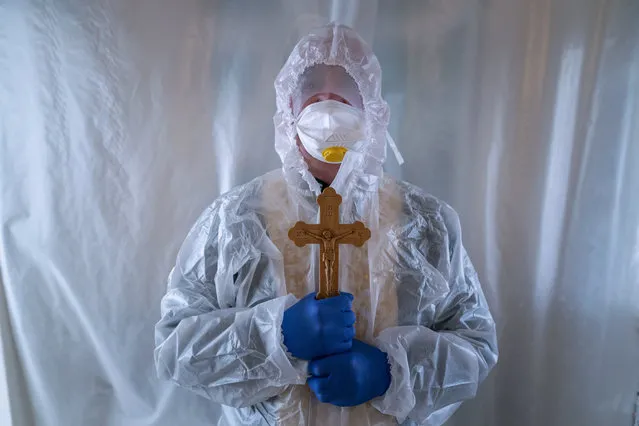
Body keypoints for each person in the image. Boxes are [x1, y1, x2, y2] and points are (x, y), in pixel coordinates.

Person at [154, 23, 498, 426]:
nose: (328, 105)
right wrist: (275, 337)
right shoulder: (235, 221)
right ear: (288, 109)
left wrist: (390, 372)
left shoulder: (427, 225)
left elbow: (476, 345)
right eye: (313, 88)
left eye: (346, 91)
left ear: (372, 108)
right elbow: (176, 348)